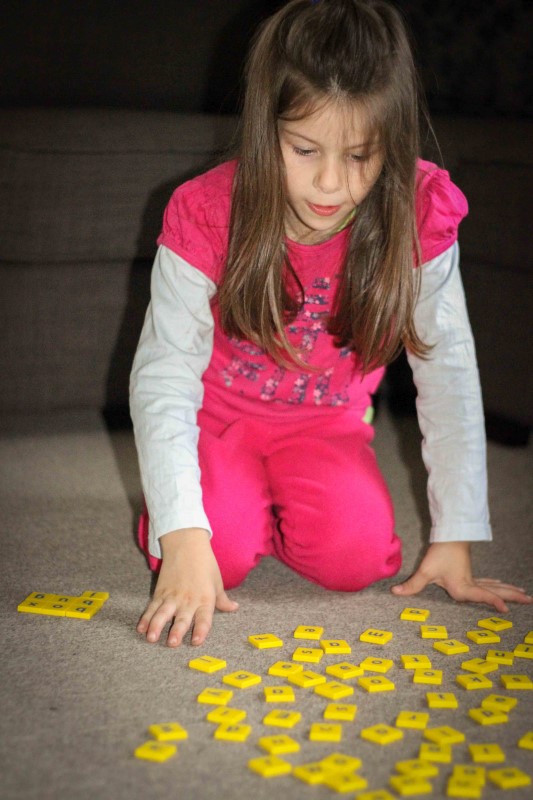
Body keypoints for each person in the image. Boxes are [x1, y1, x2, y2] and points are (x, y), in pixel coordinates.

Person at [129, 0, 531, 648]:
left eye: (359, 156)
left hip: (326, 423)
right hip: (216, 417)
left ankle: (255, 504)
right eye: (304, 148)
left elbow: (447, 371)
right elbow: (163, 375)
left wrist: (455, 535)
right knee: (215, 554)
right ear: (266, 130)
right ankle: (225, 508)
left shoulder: (418, 213)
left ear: (393, 146)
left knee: (355, 562)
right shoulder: (205, 214)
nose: (328, 183)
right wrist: (181, 535)